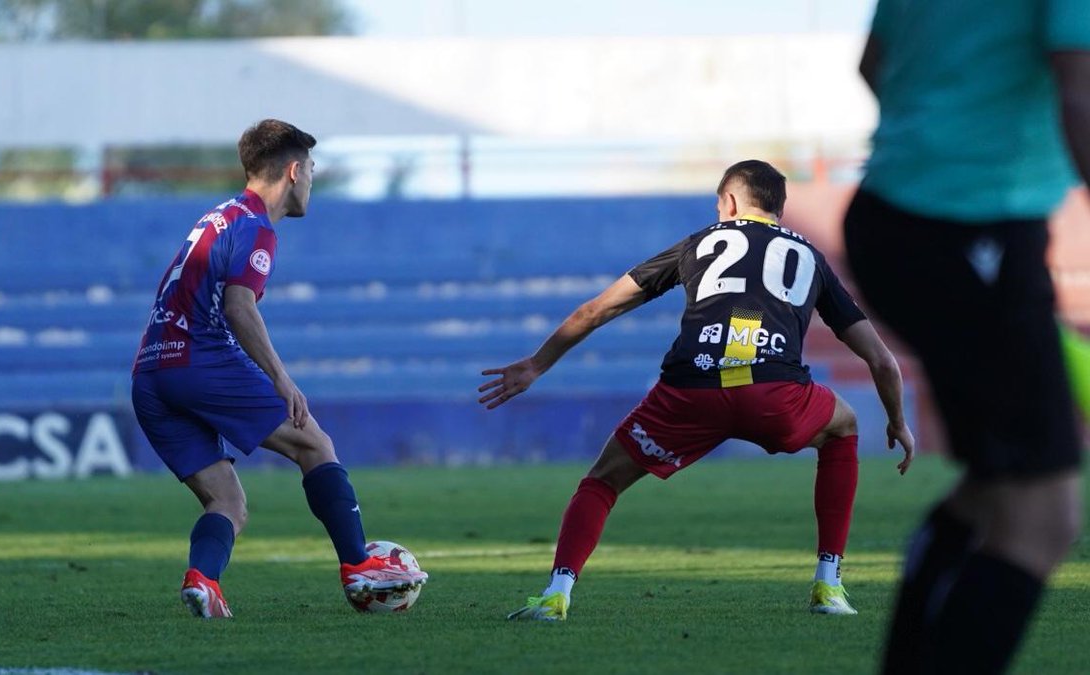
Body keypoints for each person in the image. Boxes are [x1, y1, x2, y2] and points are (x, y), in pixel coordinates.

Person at [480, 160, 914, 621]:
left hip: (690, 393)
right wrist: (898, 421)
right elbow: (882, 360)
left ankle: (556, 594)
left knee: (602, 481)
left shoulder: (699, 242)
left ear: (729, 202)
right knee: (843, 425)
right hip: (775, 395)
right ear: (779, 210)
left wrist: (536, 365)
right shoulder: (809, 259)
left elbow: (595, 310)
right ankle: (828, 585)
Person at [845, 2, 1088, 672]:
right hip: (969, 230)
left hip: (896, 217)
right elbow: (1080, 88)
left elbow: (874, 63)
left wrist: (944, 131)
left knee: (991, 492)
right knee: (1040, 518)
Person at [131, 119, 427, 619]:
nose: (311, 179)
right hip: (199, 357)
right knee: (315, 444)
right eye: (311, 168)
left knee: (227, 502)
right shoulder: (256, 227)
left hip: (150, 373)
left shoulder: (220, 216)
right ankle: (358, 565)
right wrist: (280, 377)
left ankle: (203, 581)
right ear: (293, 171)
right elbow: (239, 305)